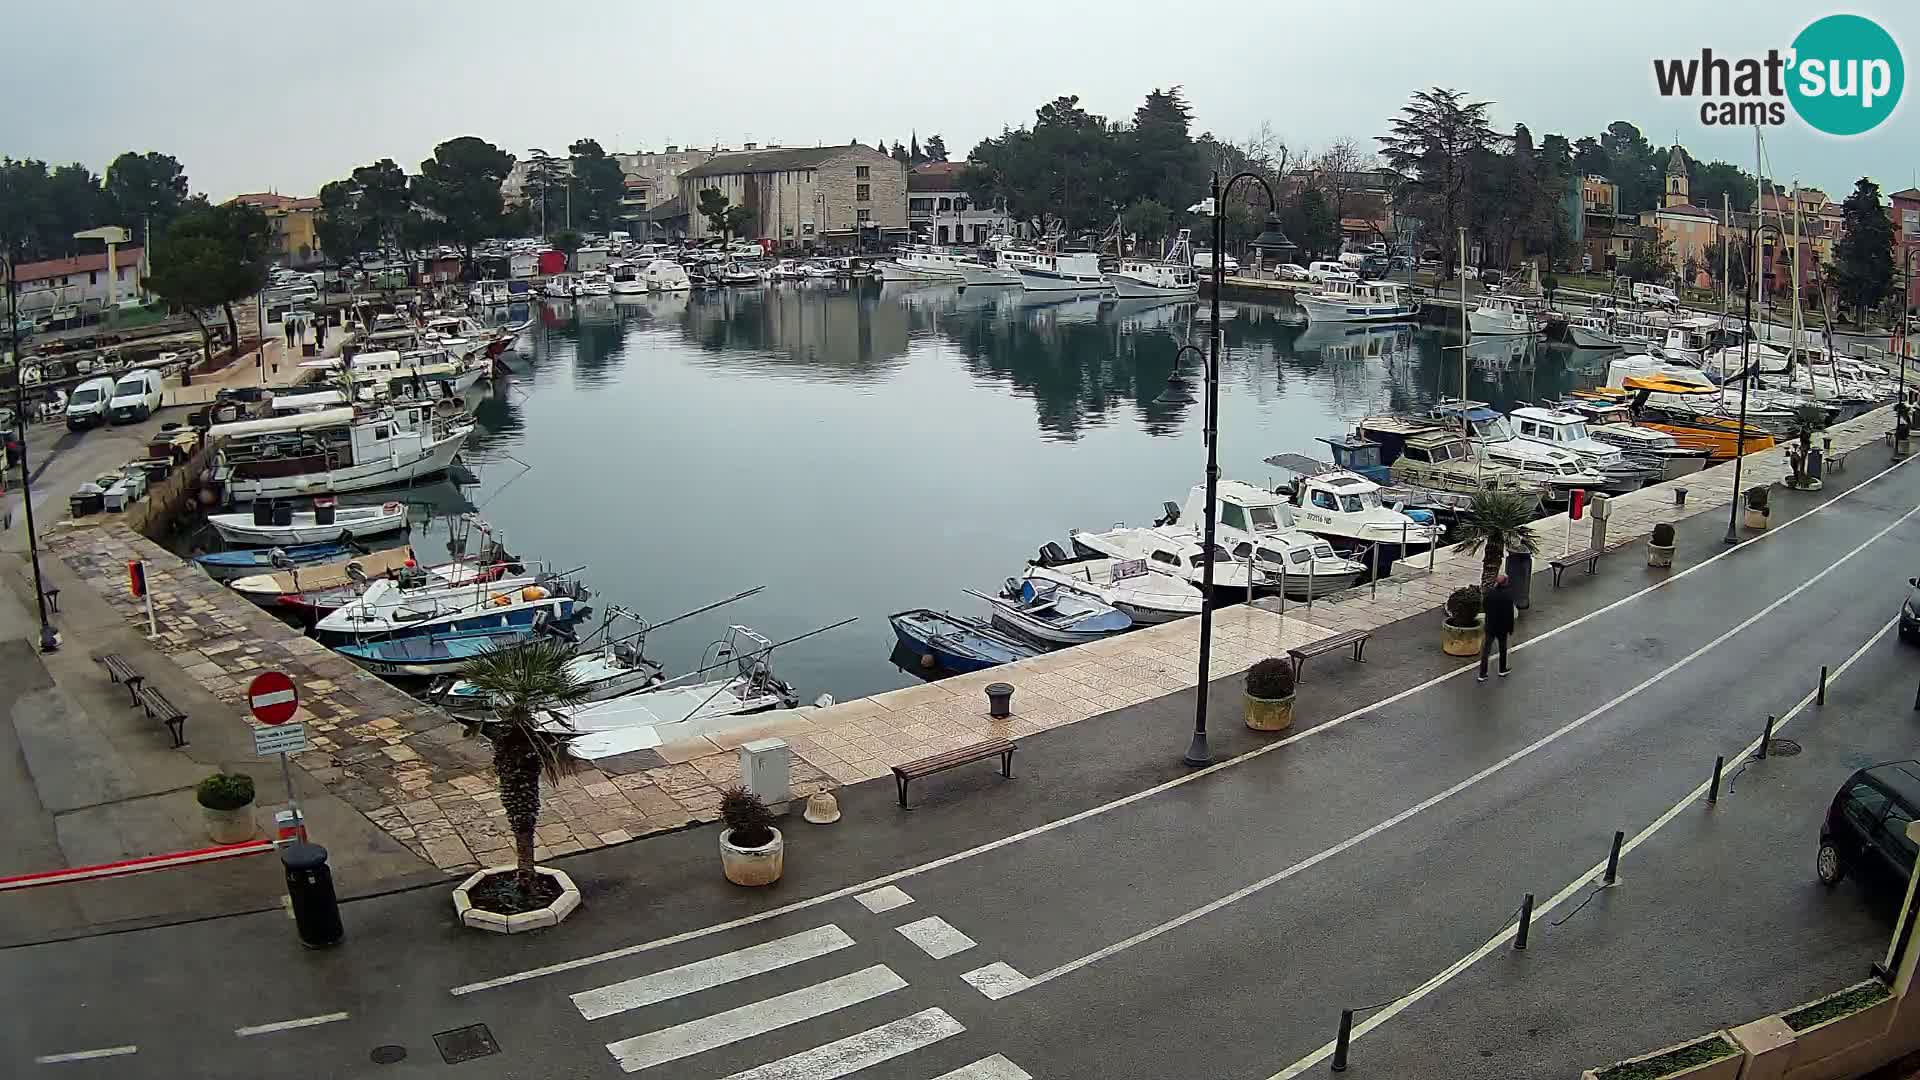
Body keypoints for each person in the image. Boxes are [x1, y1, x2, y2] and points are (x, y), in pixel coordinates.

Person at [1479, 574, 1515, 682]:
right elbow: (1510, 614)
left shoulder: (1490, 593)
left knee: (1486, 650)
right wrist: (1510, 628)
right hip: (1502, 627)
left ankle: (1482, 673)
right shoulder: (1507, 595)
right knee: (1502, 648)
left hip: (1490, 625)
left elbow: (1484, 606)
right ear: (1505, 583)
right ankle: (1502, 669)